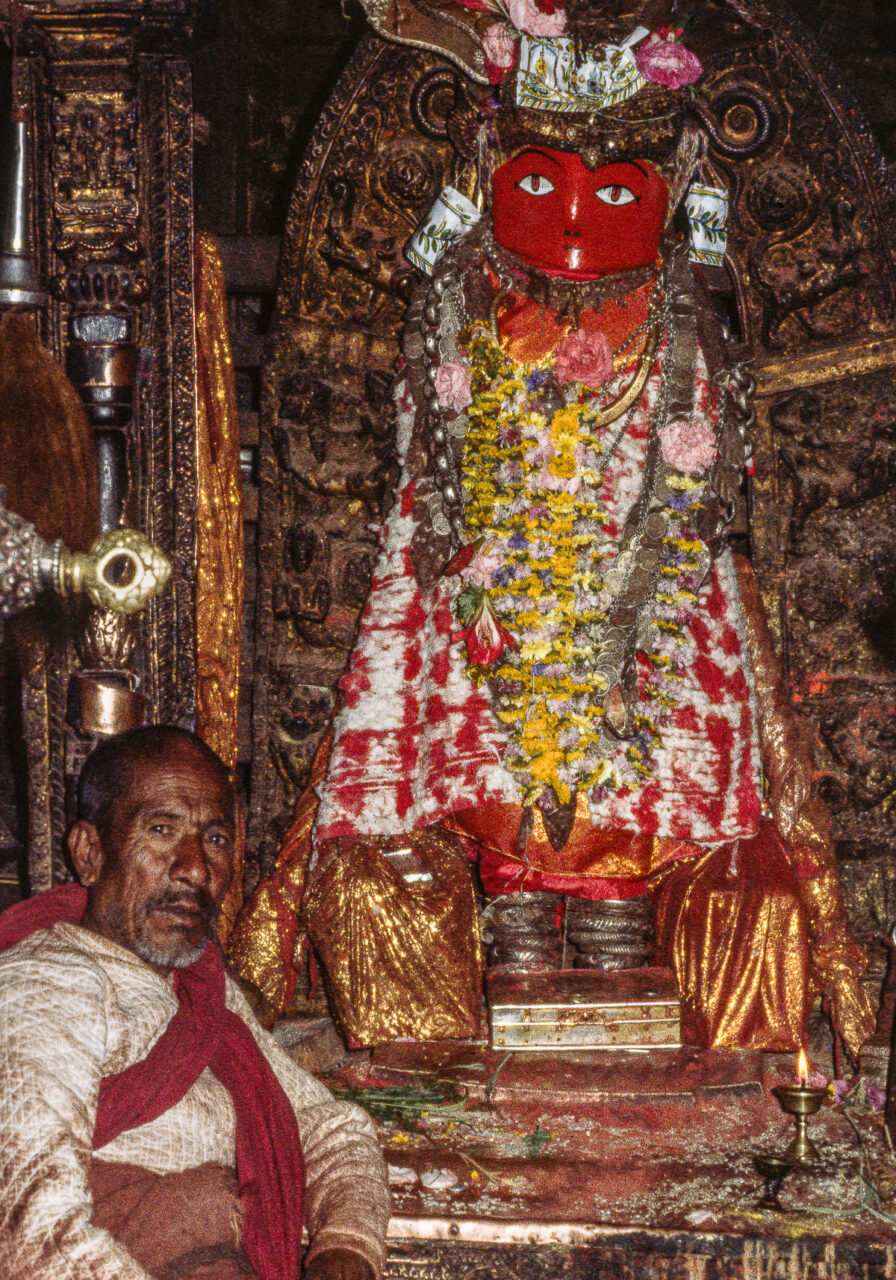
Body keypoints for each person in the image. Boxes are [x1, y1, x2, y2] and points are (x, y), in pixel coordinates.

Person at [228, 0, 874, 1060]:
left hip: (641, 612)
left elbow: (696, 496)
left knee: (681, 798)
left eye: (615, 192)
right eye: (536, 184)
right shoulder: (466, 314)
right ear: (486, 178)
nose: (575, 220)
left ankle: (621, 937)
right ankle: (504, 943)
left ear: (669, 200)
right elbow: (425, 491)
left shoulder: (677, 328)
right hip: (491, 602)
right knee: (434, 813)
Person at [0, 725, 390, 1280]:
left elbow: (329, 1128)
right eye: (161, 829)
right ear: (90, 853)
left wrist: (345, 1249)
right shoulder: (46, 983)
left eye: (216, 838)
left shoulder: (203, 989)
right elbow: (31, 1233)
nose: (196, 868)